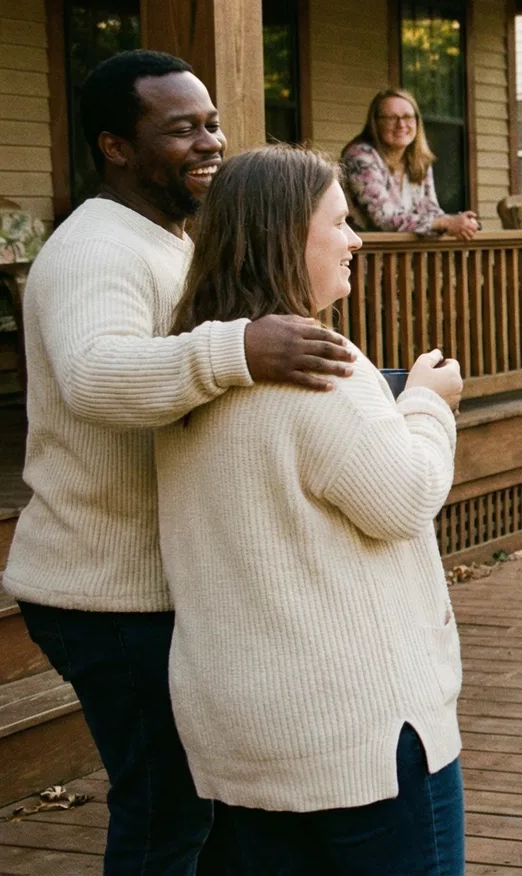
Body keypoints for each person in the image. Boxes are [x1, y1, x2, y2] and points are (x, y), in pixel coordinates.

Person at [0, 50, 356, 873]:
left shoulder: (164, 240)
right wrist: (240, 346)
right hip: (108, 592)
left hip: (165, 583)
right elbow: (96, 375)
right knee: (169, 815)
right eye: (181, 129)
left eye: (212, 123)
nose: (210, 143)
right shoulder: (96, 251)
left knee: (207, 809)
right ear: (115, 147)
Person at [156, 145, 465, 872]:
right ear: (286, 235)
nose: (356, 238)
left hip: (241, 728)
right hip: (358, 736)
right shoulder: (326, 366)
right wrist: (426, 400)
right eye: (341, 222)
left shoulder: (188, 365)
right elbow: (405, 497)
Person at [340, 88, 480, 239]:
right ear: (375, 123)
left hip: (406, 256)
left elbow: (430, 210)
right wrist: (445, 222)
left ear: (417, 122)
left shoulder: (419, 160)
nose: (401, 124)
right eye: (391, 118)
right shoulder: (360, 157)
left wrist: (460, 222)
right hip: (362, 254)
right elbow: (384, 218)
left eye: (407, 117)